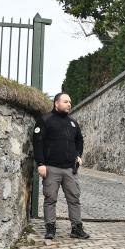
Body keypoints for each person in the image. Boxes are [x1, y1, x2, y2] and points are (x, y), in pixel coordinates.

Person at [33, 93, 90, 240]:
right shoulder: (45, 120)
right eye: (66, 101)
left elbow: (80, 141)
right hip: (51, 168)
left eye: (70, 102)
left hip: (71, 169)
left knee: (74, 198)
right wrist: (40, 163)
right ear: (56, 103)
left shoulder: (72, 123)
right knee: (50, 199)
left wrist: (78, 155)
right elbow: (38, 142)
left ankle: (76, 228)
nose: (69, 104)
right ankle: (50, 228)